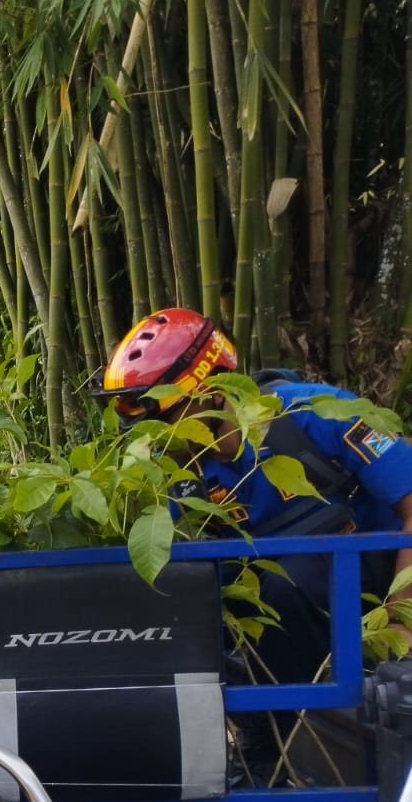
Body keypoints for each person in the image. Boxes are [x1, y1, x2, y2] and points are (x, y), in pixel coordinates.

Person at [96, 308, 412, 767]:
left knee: (282, 580)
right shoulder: (179, 474)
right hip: (276, 619)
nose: (159, 438)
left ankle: (320, 742)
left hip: (363, 589)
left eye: (168, 420)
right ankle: (264, 746)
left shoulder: (315, 414)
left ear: (211, 391)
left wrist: (400, 624)